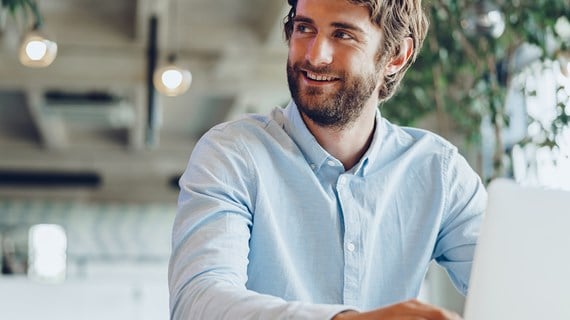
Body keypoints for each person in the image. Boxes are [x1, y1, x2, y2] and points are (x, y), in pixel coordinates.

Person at [168, 0, 487, 319]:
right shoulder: (233, 153)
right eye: (305, 28)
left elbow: (517, 285)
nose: (314, 55)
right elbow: (198, 301)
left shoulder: (439, 171)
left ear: (396, 56)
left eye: (343, 34)